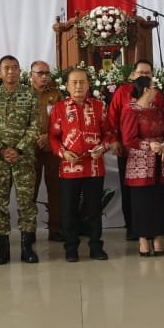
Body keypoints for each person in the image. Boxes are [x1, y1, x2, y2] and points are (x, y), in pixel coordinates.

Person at [49, 68, 116, 262]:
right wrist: (63, 153)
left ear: (88, 85)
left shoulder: (99, 106)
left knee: (94, 210)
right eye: (74, 82)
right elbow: (53, 137)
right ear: (67, 86)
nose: (78, 86)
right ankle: (71, 248)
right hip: (69, 168)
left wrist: (102, 148)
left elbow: (109, 133)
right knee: (69, 210)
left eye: (82, 82)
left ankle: (96, 246)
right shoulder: (59, 108)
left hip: (94, 168)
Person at [0, 55, 42, 265]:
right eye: (6, 68)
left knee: (26, 202)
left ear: (19, 71)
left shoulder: (30, 94)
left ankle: (27, 248)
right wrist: (1, 149)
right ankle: (3, 249)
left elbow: (35, 125)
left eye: (15, 67)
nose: (11, 71)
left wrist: (18, 149)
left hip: (24, 158)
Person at [107, 59, 163, 241]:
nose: (143, 76)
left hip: (153, 152)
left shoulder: (156, 94)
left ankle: (153, 229)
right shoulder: (122, 92)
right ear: (133, 75)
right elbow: (112, 118)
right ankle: (132, 227)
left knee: (153, 191)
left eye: (147, 73)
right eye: (140, 73)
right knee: (130, 190)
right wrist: (114, 140)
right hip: (129, 150)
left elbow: (160, 120)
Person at [118, 73, 164, 256]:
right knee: (141, 202)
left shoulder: (158, 110)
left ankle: (157, 237)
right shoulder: (130, 110)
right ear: (147, 90)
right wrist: (149, 145)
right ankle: (142, 239)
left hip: (159, 161)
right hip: (139, 164)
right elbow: (128, 140)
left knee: (158, 200)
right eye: (154, 87)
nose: (156, 91)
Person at [29, 61, 65, 242]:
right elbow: (18, 121)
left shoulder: (56, 94)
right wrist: (35, 137)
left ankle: (55, 229)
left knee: (56, 191)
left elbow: (62, 120)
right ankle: (29, 231)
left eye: (47, 73)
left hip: (52, 149)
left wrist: (48, 137)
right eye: (40, 73)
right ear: (31, 75)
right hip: (30, 149)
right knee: (29, 192)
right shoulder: (23, 93)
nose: (44, 76)